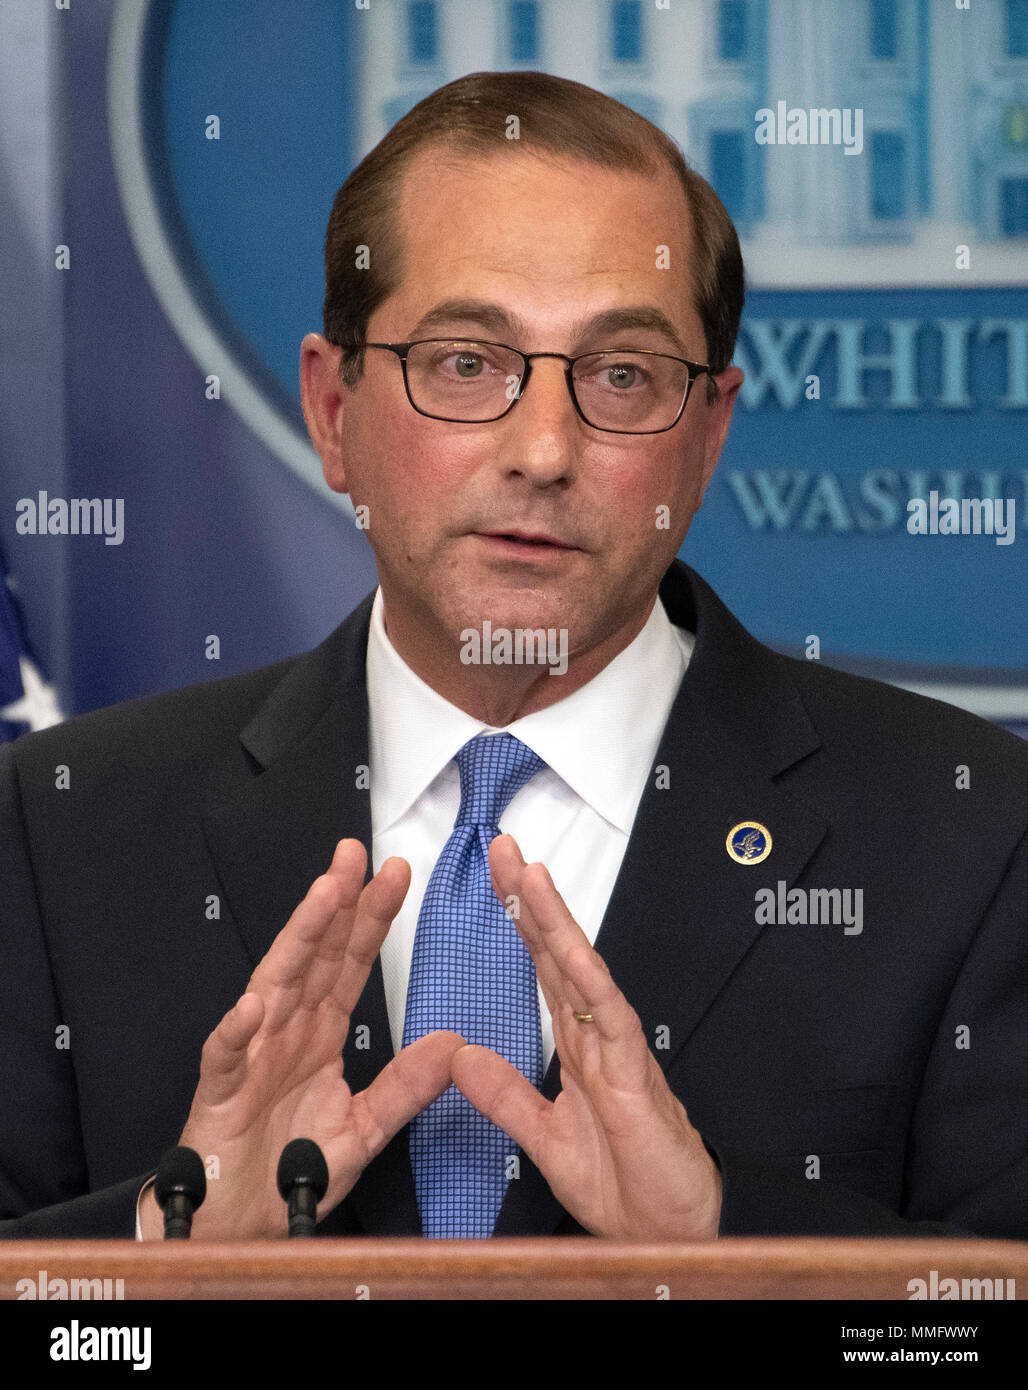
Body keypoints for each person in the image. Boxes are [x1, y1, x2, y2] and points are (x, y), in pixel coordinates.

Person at [1, 72, 1025, 1243]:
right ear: (334, 413)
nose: (543, 449)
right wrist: (164, 1245)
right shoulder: (59, 830)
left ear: (707, 435)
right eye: (465, 363)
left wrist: (725, 1244)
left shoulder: (971, 836)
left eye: (621, 376)